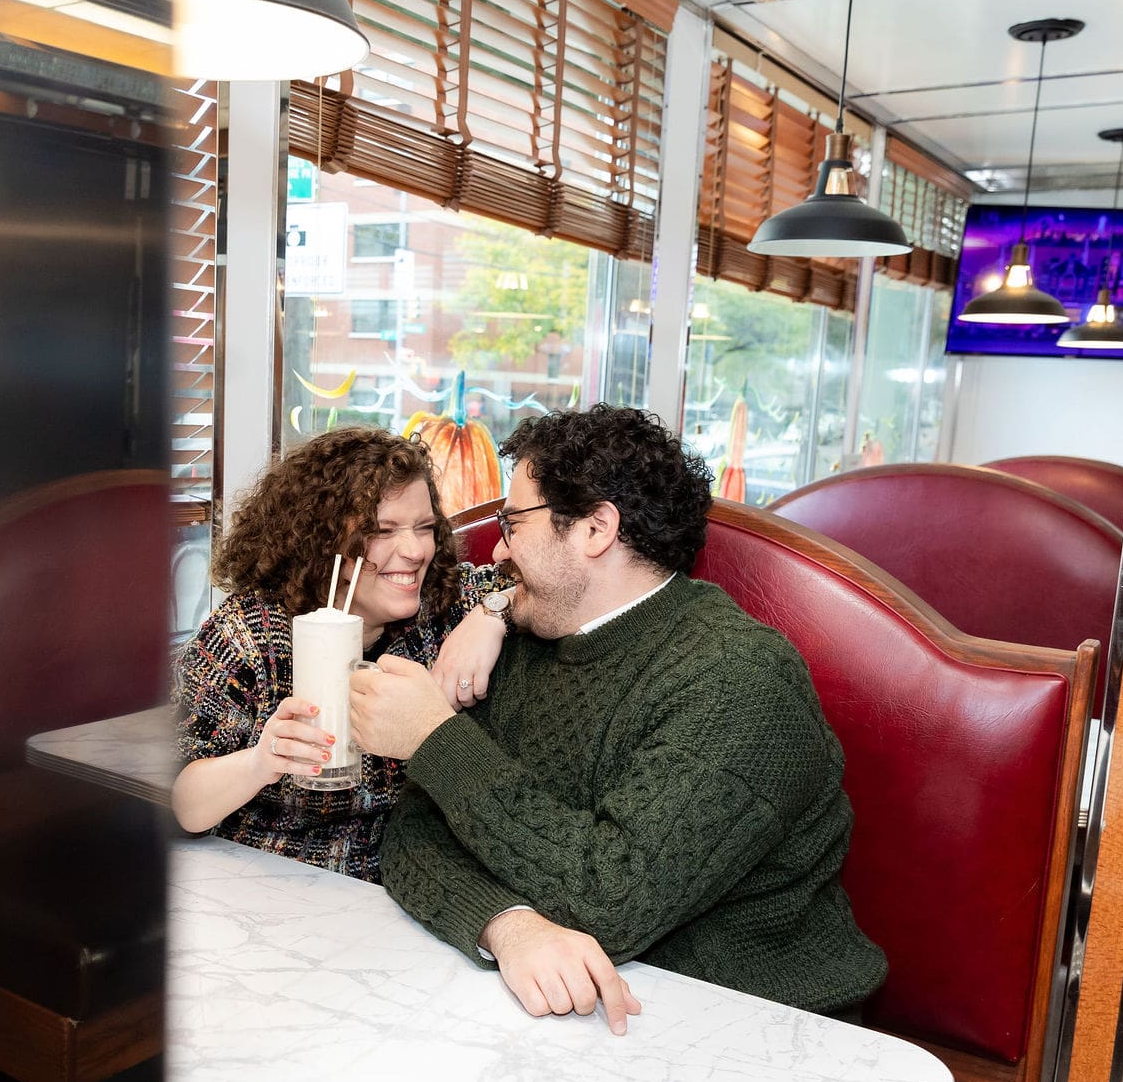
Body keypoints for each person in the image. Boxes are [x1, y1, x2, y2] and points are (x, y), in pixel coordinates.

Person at [351, 405, 885, 1033]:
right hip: (577, 1012)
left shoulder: (740, 681)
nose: (497, 547)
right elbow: (413, 834)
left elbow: (611, 898)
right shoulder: (526, 637)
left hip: (755, 1025)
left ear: (596, 529)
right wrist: (507, 925)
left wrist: (436, 739)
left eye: (513, 522)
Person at [171, 427, 512, 880]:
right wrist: (260, 762)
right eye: (382, 531)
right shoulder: (251, 635)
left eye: (424, 528)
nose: (414, 551)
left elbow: (543, 586)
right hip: (273, 885)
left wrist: (492, 614)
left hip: (409, 888)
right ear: (323, 540)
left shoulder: (444, 606)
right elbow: (182, 802)